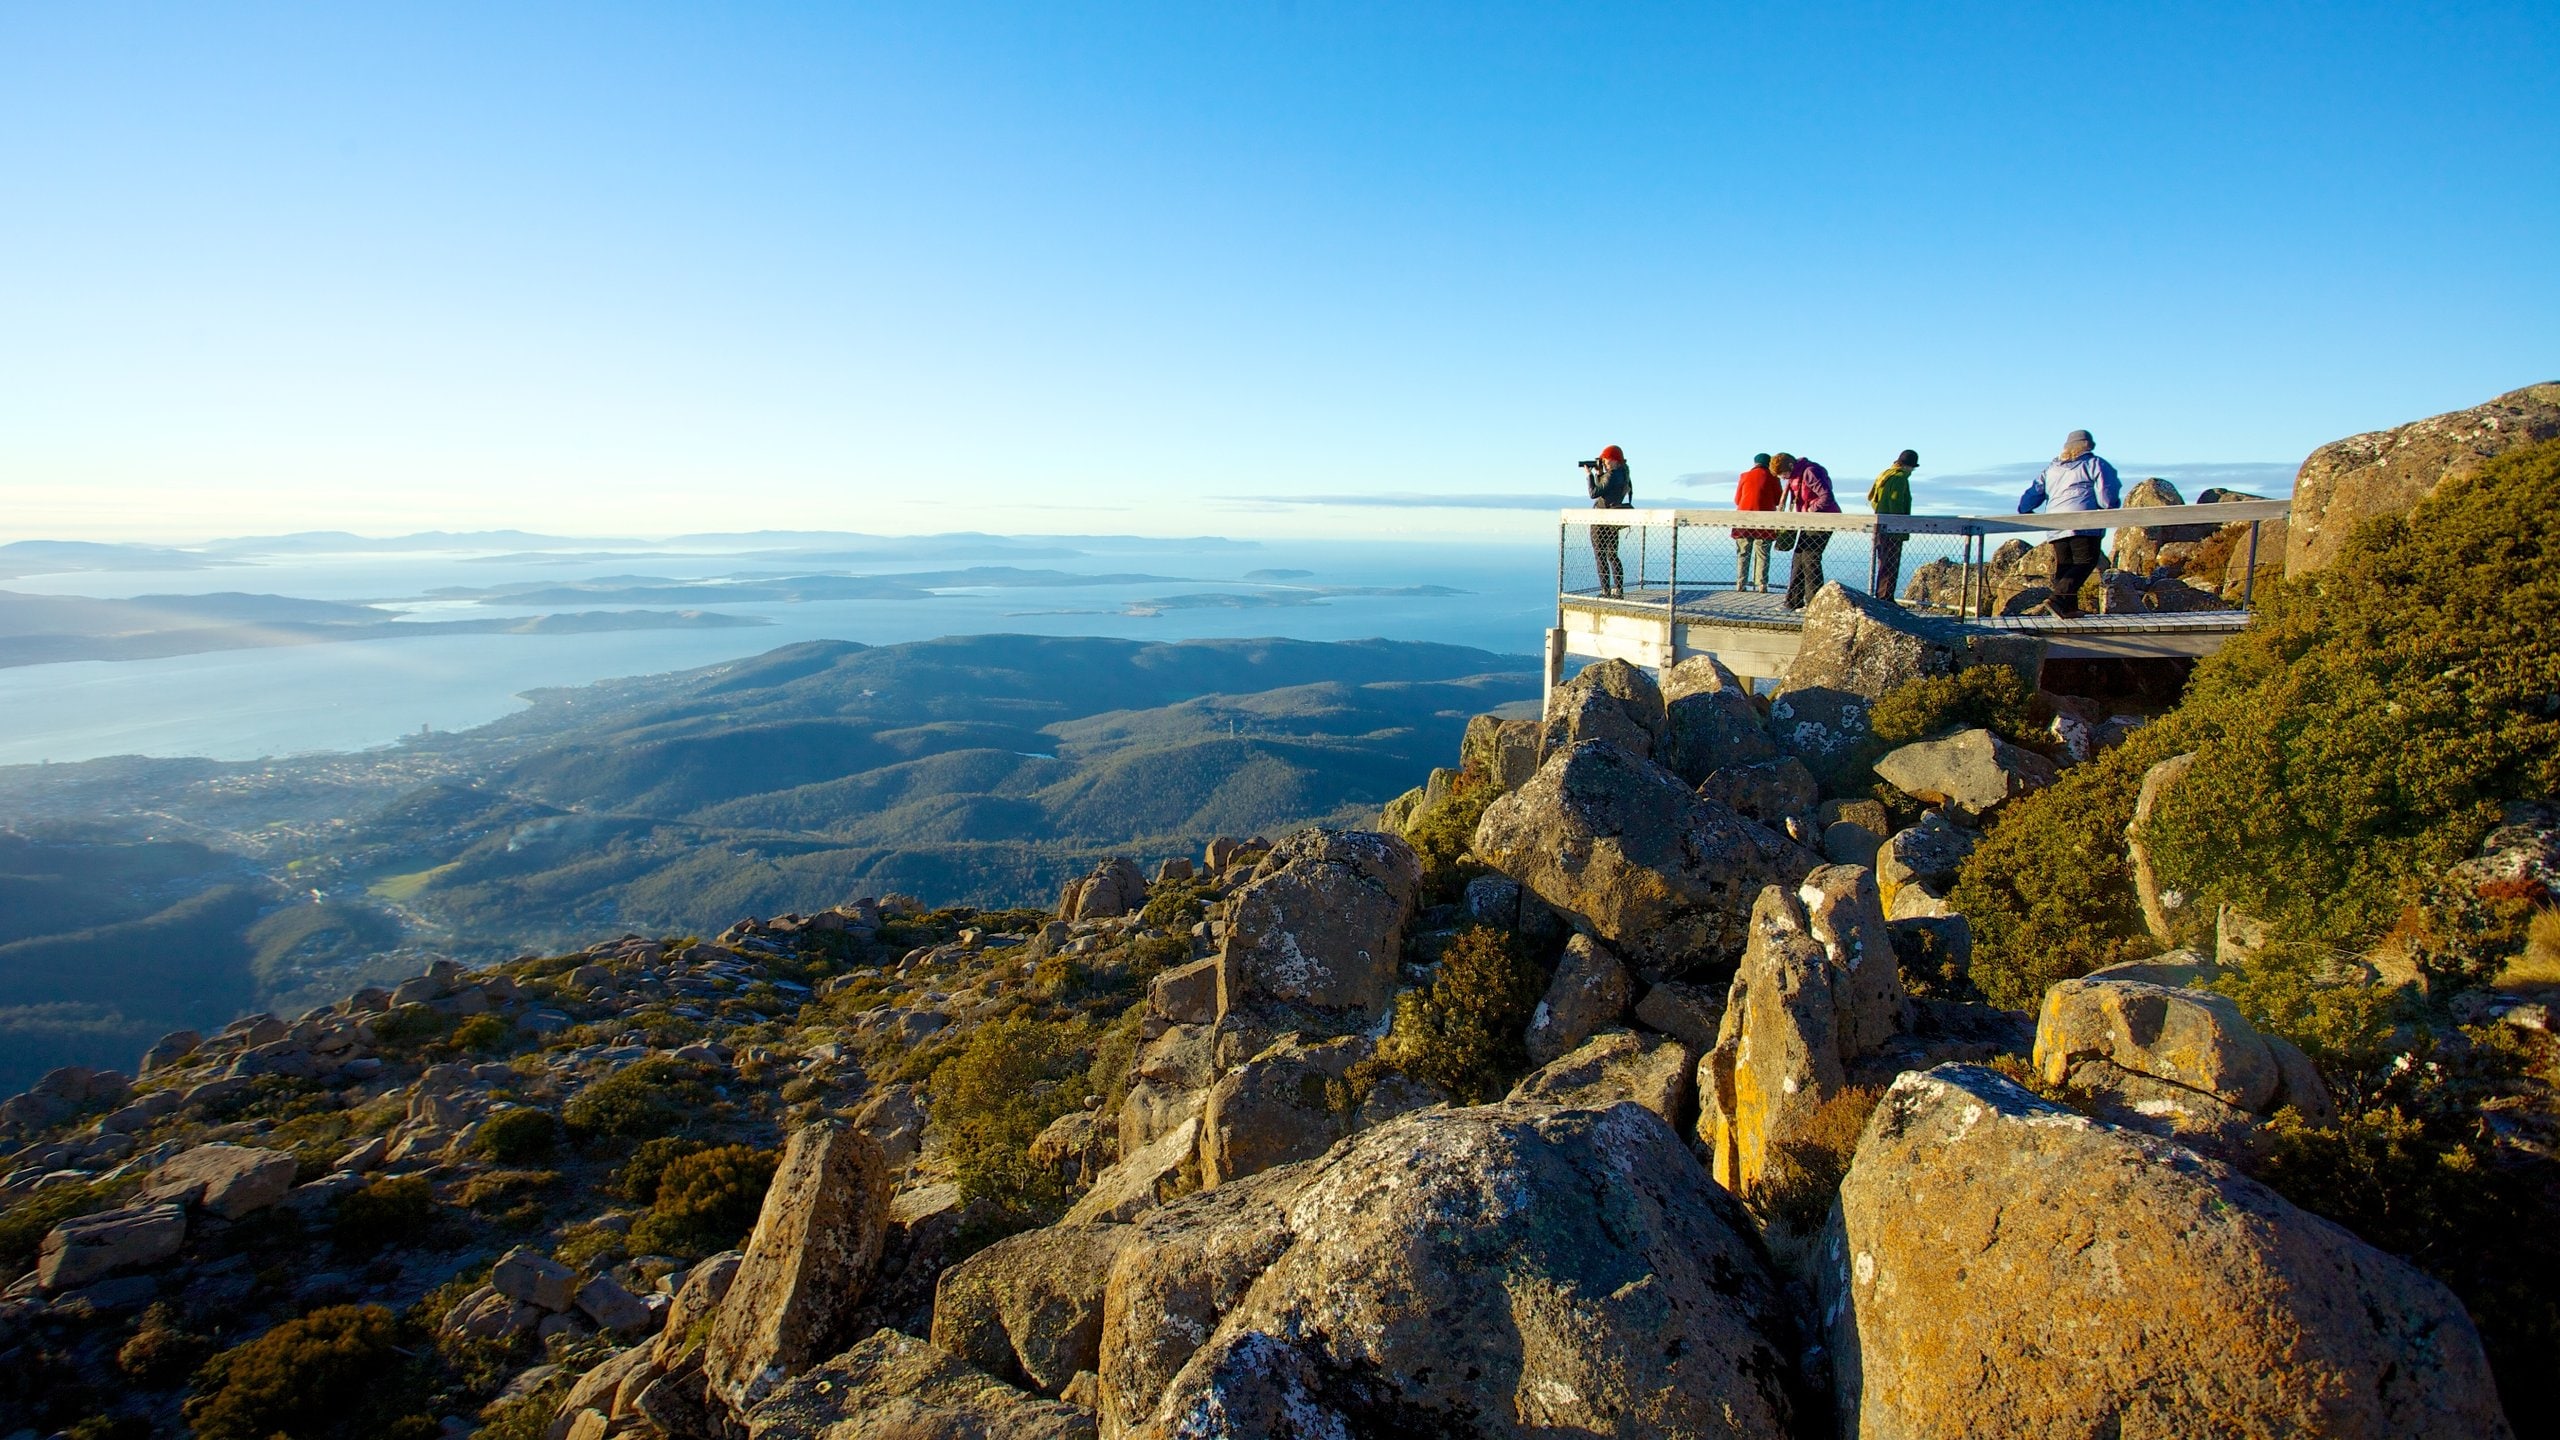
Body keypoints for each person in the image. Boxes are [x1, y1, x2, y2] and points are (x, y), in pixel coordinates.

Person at [2017, 429, 2121, 617]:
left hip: (2055, 524)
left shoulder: (2051, 469)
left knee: (2065, 566)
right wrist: (2111, 508)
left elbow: (2033, 493)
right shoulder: (2094, 464)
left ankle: (2068, 608)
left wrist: (2025, 510)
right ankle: (2058, 600)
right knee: (2086, 562)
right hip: (2084, 523)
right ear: (2088, 446)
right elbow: (2107, 497)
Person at [1777, 453, 1839, 609]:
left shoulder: (1810, 471)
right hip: (1809, 522)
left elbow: (1826, 496)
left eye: (1783, 474)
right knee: (1798, 559)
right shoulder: (1796, 475)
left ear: (1790, 466)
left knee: (1810, 559)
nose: (1783, 478)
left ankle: (1815, 604)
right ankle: (1793, 602)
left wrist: (1811, 509)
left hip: (1822, 521)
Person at [1869, 448, 1918, 603]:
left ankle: (1881, 598)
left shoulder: (1884, 476)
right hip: (1893, 528)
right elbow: (1896, 502)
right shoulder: (1900, 478)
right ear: (1908, 466)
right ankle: (1886, 599)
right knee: (1891, 564)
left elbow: (1873, 500)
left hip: (1880, 525)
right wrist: (1900, 524)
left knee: (1883, 563)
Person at [1585, 444, 1632, 597]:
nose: (1604, 463)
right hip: (1613, 520)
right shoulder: (1623, 474)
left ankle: (1605, 591)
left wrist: (1589, 475)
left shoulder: (1611, 475)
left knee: (1600, 555)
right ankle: (1618, 589)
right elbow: (1607, 491)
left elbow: (1594, 493)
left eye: (1606, 460)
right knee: (1612, 555)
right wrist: (1600, 474)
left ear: (1614, 460)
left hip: (1601, 519)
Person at [1733, 453, 1781, 592]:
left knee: (1743, 551)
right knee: (1762, 552)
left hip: (1743, 519)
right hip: (1765, 520)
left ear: (1755, 463)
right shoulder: (1773, 477)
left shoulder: (1744, 476)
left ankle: (1740, 583)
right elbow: (1778, 500)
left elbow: (1737, 500)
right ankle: (1761, 584)